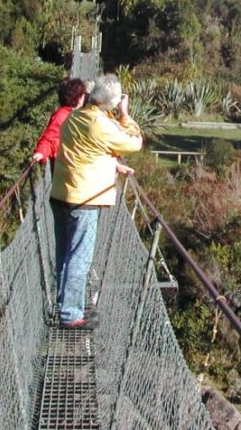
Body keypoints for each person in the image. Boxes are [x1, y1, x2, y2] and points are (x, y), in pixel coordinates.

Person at [50, 74, 143, 328]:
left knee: (64, 255)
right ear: (110, 103)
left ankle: (64, 304)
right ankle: (70, 315)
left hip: (60, 194)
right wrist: (125, 115)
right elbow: (134, 143)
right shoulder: (100, 124)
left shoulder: (75, 116)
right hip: (85, 200)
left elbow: (93, 149)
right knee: (79, 258)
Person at [32, 78, 87, 169]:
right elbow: (49, 138)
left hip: (75, 167)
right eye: (82, 94)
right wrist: (41, 152)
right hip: (65, 169)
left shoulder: (78, 114)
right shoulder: (61, 116)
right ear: (78, 97)